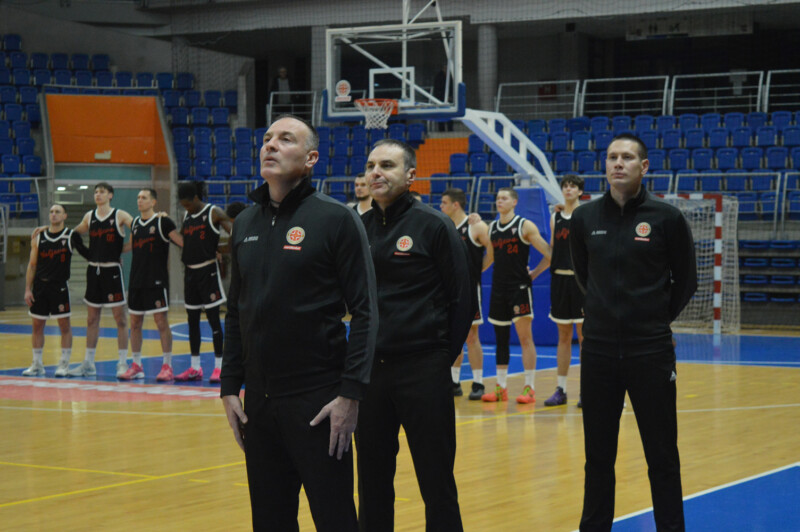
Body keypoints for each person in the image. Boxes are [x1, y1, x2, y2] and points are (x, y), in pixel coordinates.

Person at [220, 115, 377, 531]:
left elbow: (365, 311)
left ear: (311, 159)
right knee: (269, 521)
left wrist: (350, 395)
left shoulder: (336, 218)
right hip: (258, 405)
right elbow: (236, 309)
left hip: (319, 403)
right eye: (267, 138)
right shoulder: (245, 223)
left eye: (285, 139)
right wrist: (230, 386)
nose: (270, 145)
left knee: (335, 519)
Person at [570, 133, 697, 531]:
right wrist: (605, 315)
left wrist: (654, 320)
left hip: (650, 352)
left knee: (662, 456)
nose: (618, 163)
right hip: (599, 353)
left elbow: (687, 280)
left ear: (644, 167)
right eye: (612, 157)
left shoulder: (667, 218)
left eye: (627, 157)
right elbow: (583, 276)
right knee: (597, 457)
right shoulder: (584, 218)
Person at [357, 139, 472, 531]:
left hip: (423, 371)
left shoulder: (433, 225)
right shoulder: (358, 228)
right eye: (371, 165)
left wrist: (438, 359)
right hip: (371, 375)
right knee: (371, 483)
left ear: (410, 175)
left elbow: (463, 300)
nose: (376, 172)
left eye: (386, 165)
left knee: (436, 482)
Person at [482, 187, 551, 404]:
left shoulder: (524, 225)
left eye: (504, 198)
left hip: (519, 288)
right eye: (497, 198)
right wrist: (472, 274)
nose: (499, 201)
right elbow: (490, 258)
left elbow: (550, 253)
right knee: (500, 339)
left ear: (514, 202)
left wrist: (535, 273)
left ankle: (529, 388)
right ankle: (501, 388)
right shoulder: (492, 228)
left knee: (524, 338)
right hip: (498, 288)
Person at [65, 182, 134, 378]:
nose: (98, 195)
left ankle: (122, 362)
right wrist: (87, 252)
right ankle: (88, 363)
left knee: (120, 319)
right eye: (96, 192)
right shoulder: (89, 216)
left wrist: (123, 249)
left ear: (110, 195)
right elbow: (72, 234)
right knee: (91, 319)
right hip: (93, 270)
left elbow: (140, 229)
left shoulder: (119, 215)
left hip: (112, 271)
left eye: (102, 192)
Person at [119, 188, 183, 381]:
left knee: (161, 322)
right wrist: (107, 251)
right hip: (136, 280)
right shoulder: (135, 224)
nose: (139, 200)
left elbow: (181, 241)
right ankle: (136, 365)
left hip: (156, 280)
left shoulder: (163, 222)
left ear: (153, 202)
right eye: (138, 197)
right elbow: (130, 246)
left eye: (144, 198)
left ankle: (167, 365)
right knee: (135, 323)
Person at [439, 187, 493, 400]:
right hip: (448, 289)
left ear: (456, 204)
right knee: (452, 334)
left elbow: (493, 249)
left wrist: (479, 269)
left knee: (471, 335)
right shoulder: (445, 226)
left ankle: (478, 382)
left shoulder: (475, 225)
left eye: (444, 203)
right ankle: (454, 381)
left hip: (469, 289)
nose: (440, 206)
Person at [176, 181, 232, 383]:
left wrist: (222, 249)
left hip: (208, 271)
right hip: (190, 273)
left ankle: (218, 367)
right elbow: (186, 240)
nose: (186, 208)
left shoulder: (213, 212)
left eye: (188, 204)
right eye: (183, 205)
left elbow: (234, 232)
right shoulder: (186, 215)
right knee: (192, 321)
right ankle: (195, 367)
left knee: (214, 320)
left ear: (196, 198)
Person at [22, 204, 88, 377]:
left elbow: (87, 253)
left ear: (65, 216)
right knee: (37, 326)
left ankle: (64, 364)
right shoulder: (39, 236)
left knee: (64, 326)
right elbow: (32, 265)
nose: (53, 214)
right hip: (40, 287)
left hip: (59, 287)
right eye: (51, 211)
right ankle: (37, 364)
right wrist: (28, 289)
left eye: (57, 212)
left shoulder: (70, 236)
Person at [540, 175, 586, 407]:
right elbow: (552, 249)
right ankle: (561, 389)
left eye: (573, 186)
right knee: (564, 337)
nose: (568, 189)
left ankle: (587, 390)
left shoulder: (585, 216)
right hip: (559, 281)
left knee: (585, 337)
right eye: (565, 186)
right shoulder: (555, 217)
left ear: (580, 192)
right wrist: (533, 273)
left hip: (580, 283)